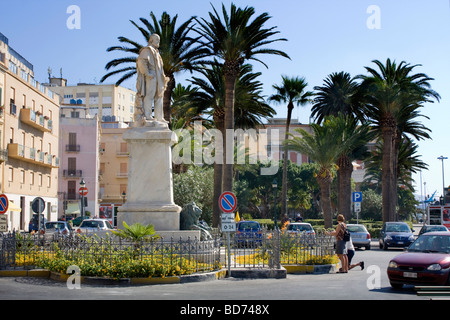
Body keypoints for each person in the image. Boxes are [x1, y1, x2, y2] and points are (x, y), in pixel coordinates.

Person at [135, 33, 169, 124]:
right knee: (149, 95)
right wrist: (147, 73)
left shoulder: (157, 52)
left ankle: (159, 117)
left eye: (159, 40)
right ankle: (148, 115)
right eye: (156, 40)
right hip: (152, 75)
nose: (158, 42)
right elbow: (141, 61)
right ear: (151, 40)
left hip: (159, 76)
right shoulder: (147, 50)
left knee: (159, 96)